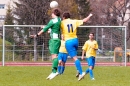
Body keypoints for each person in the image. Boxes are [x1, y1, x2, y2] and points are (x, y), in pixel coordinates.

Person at [60, 12, 93, 81]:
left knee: (75, 58)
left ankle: (81, 73)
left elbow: (55, 26)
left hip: (68, 42)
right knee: (74, 57)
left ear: (63, 17)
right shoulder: (74, 21)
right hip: (75, 40)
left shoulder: (62, 22)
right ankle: (78, 70)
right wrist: (89, 15)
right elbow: (84, 20)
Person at [30, 8, 61, 80]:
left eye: (52, 13)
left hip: (54, 40)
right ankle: (53, 71)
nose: (51, 15)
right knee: (54, 55)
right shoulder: (59, 20)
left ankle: (54, 71)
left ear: (54, 14)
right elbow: (53, 28)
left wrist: (36, 35)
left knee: (54, 55)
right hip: (57, 40)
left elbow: (44, 30)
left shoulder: (52, 21)